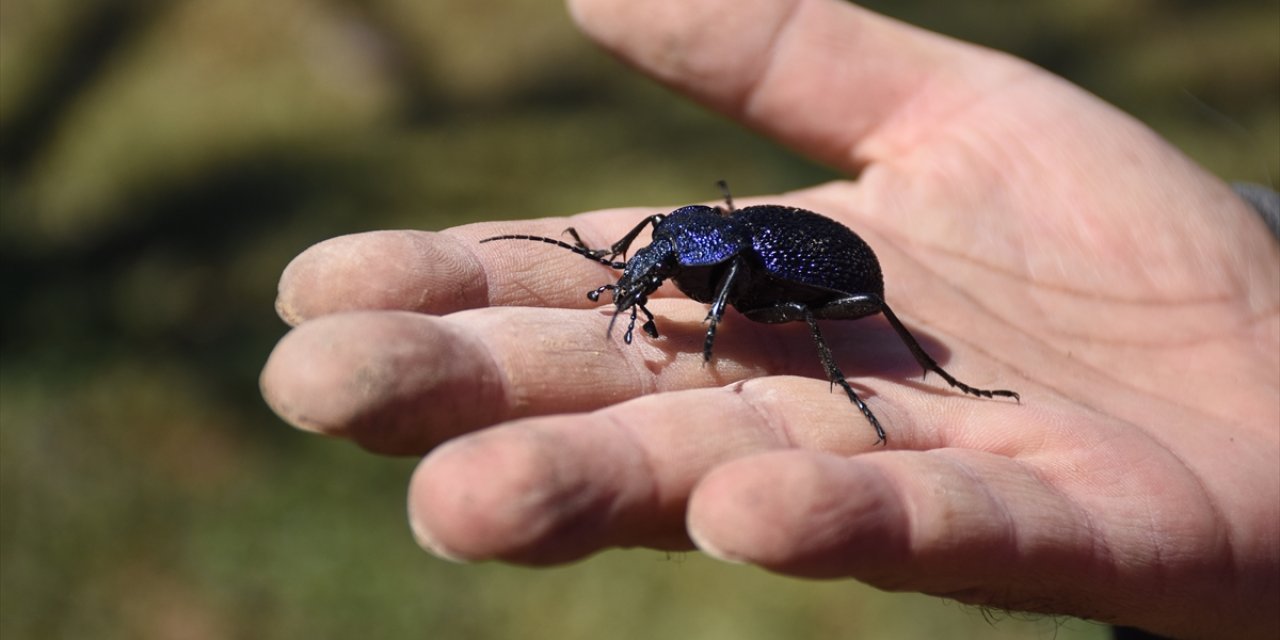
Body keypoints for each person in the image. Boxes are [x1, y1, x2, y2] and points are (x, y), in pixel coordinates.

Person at [259, 1, 1279, 638]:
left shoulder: (744, 273)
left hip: (840, 273)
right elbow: (674, 233)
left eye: (655, 272)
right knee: (681, 248)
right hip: (751, 245)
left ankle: (904, 378)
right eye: (648, 269)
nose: (649, 275)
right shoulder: (692, 238)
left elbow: (783, 278)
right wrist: (628, 269)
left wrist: (730, 331)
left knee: (832, 310)